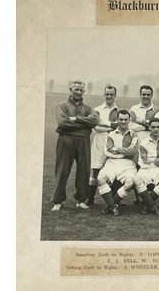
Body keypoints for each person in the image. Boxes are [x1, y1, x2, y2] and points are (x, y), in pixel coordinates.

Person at [51, 80, 99, 211]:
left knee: (83, 170)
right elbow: (62, 123)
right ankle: (58, 201)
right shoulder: (62, 106)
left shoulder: (88, 108)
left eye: (81, 90)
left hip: (83, 140)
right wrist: (84, 124)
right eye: (76, 89)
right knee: (62, 170)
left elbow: (95, 120)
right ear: (70, 90)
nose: (78, 92)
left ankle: (81, 200)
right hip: (66, 140)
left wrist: (76, 119)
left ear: (84, 91)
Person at [96, 109, 138, 216]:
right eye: (121, 119)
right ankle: (113, 206)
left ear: (129, 120)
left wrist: (117, 149)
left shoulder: (134, 135)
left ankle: (110, 205)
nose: (123, 122)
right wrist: (125, 151)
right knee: (100, 179)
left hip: (128, 164)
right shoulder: (111, 134)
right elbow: (108, 151)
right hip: (112, 163)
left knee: (129, 183)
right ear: (117, 120)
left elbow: (133, 151)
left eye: (125, 119)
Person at [86, 84, 119, 206]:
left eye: (111, 94)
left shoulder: (118, 111)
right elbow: (95, 127)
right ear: (104, 95)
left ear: (115, 95)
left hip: (113, 141)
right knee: (95, 170)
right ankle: (90, 198)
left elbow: (119, 126)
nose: (109, 96)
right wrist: (111, 126)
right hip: (99, 141)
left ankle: (113, 200)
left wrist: (104, 124)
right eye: (107, 94)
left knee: (114, 171)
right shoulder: (97, 110)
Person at [133, 117, 159, 216]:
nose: (155, 129)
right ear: (149, 128)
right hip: (146, 170)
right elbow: (142, 163)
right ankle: (153, 206)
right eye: (153, 127)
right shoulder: (143, 143)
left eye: (158, 127)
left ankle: (147, 205)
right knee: (137, 180)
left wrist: (151, 160)